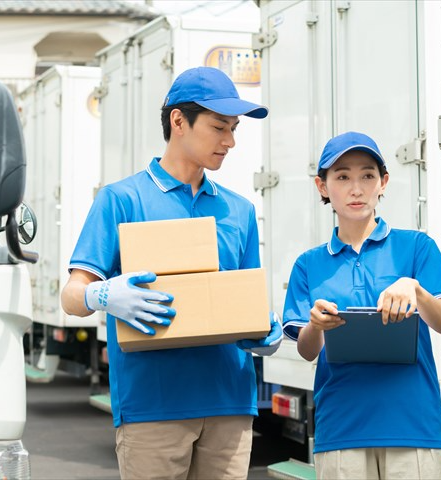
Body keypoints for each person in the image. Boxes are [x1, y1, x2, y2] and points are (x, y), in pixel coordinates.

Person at [60, 66, 283, 479]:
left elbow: (246, 301)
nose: (230, 141)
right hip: (152, 406)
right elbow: (72, 295)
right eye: (220, 127)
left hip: (230, 406)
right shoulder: (121, 200)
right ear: (178, 121)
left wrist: (262, 330)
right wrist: (102, 295)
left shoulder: (239, 211)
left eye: (234, 129)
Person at [282, 131, 441, 479]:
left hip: (414, 426)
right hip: (341, 431)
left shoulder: (417, 247)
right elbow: (305, 350)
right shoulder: (308, 264)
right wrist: (316, 325)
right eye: (343, 176)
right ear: (322, 186)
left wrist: (415, 289)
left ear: (383, 182)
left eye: (367, 175)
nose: (356, 188)